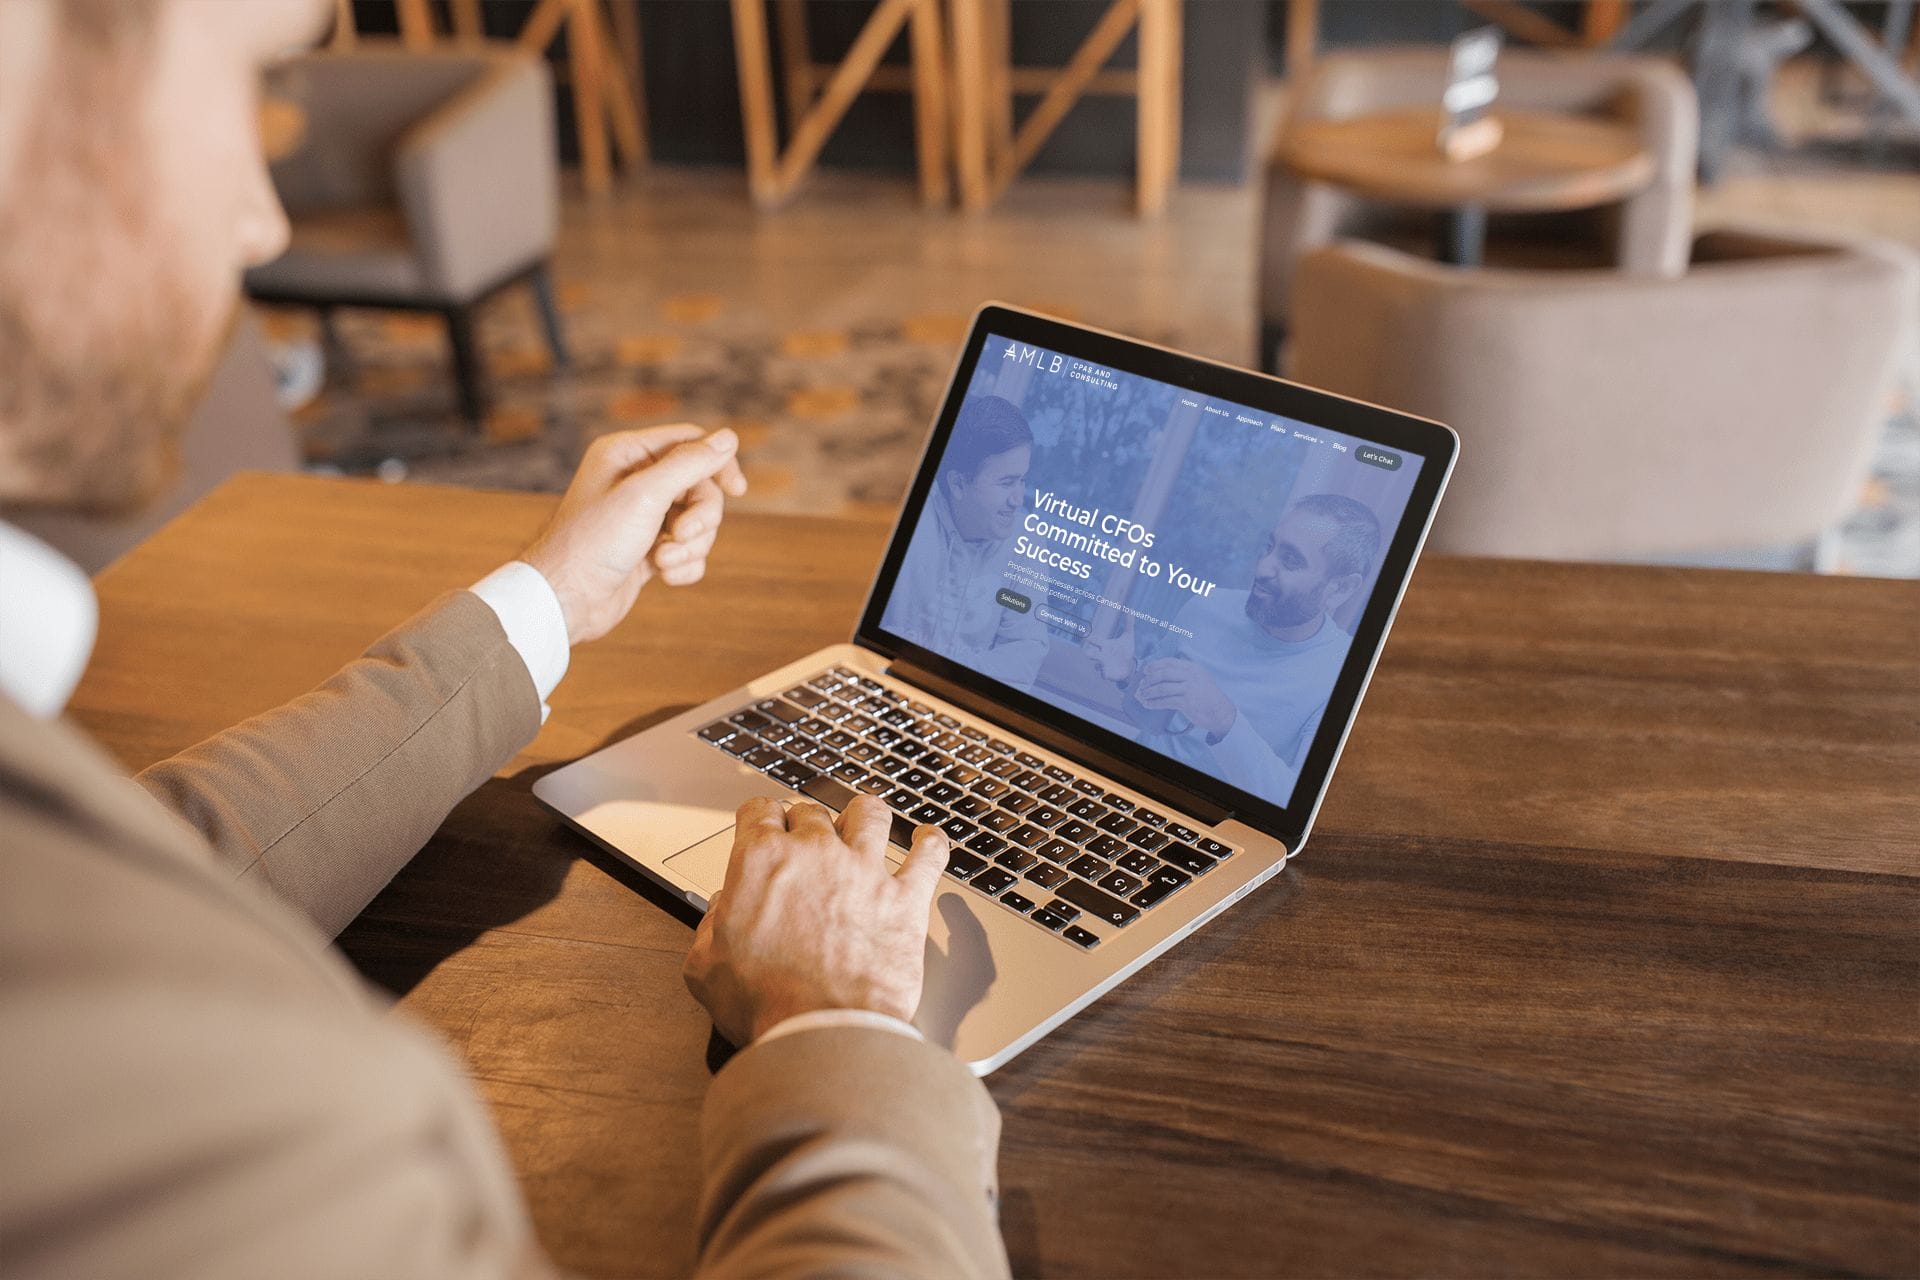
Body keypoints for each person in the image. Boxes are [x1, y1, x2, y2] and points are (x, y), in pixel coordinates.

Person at [0, 2, 1007, 1276]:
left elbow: (182, 852)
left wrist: (554, 597)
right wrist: (832, 1022)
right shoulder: (261, 1142)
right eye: (252, 86)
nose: (262, 219)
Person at [1083, 494, 1381, 803]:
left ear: (1341, 588)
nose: (1263, 568)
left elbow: (1289, 800)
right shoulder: (1207, 607)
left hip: (1221, 816)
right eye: (1269, 548)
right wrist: (1129, 674)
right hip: (1132, 783)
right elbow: (1151, 722)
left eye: (1290, 561)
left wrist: (1223, 719)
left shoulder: (1342, 672)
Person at [881, 394, 1047, 688]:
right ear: (958, 484)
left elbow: (1024, 654)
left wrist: (947, 666)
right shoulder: (908, 518)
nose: (1018, 499)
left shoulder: (1028, 545)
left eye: (1023, 480)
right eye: (1007, 482)